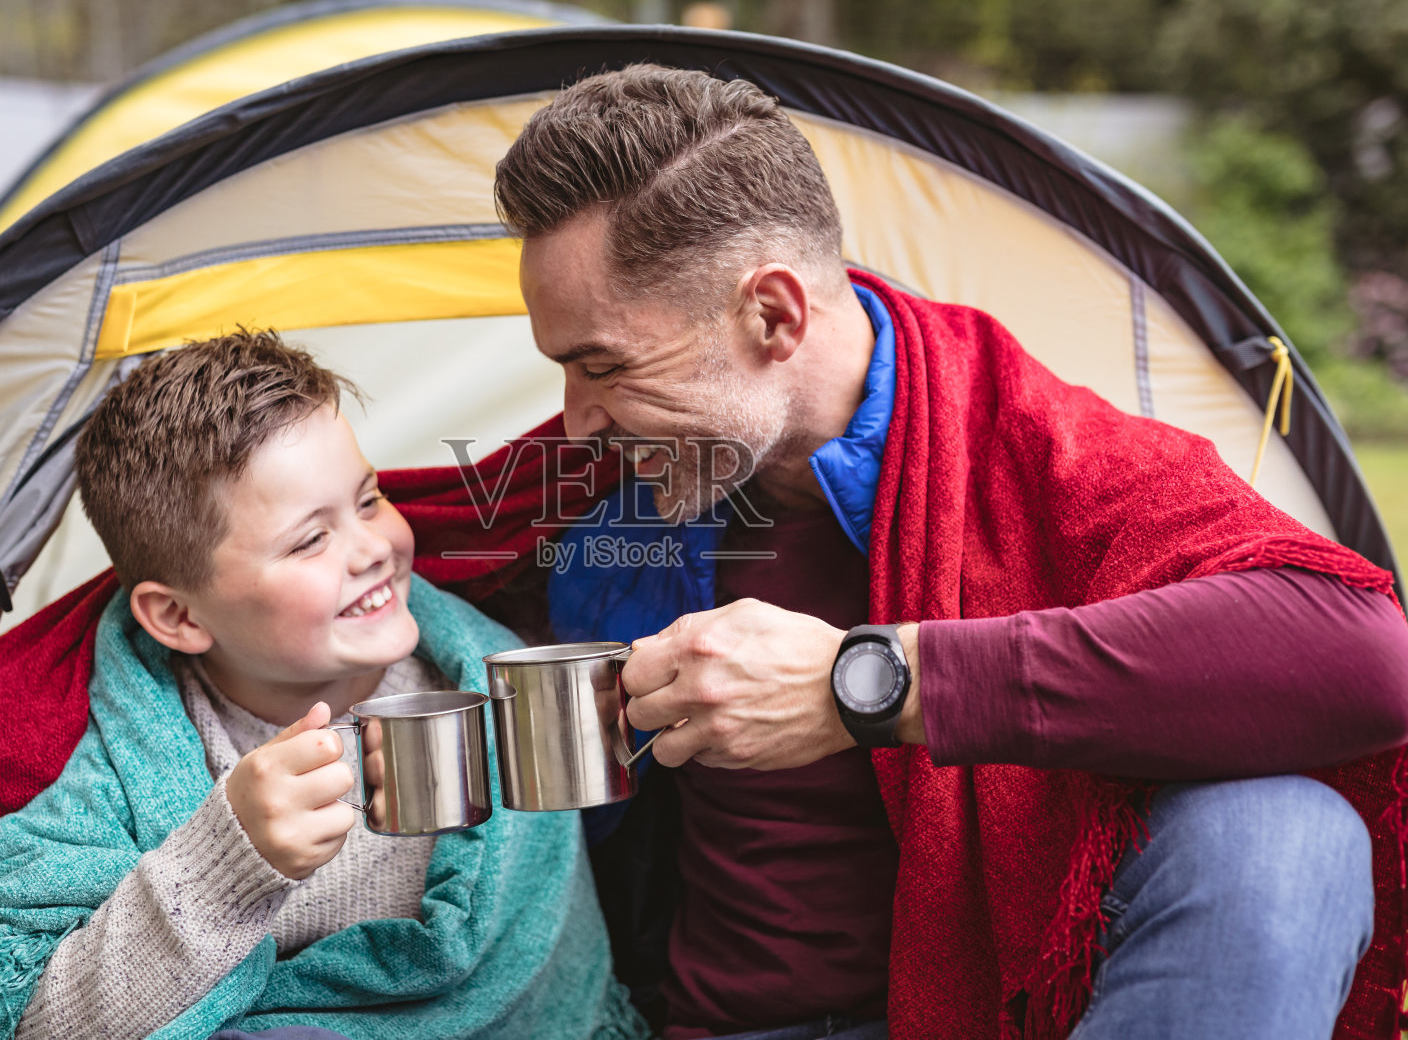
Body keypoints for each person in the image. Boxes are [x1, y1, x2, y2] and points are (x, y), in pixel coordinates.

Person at [493, 64, 1408, 1040]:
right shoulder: (598, 508)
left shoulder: (1039, 448)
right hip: (722, 1023)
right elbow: (407, 570)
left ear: (774, 315)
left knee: (1284, 834)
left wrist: (865, 686)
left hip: (1010, 1014)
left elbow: (1364, 652)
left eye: (603, 365)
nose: (577, 422)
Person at [0, 331, 647, 1040]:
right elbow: (18, 1023)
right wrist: (226, 864)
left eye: (369, 499)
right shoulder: (99, 770)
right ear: (179, 616)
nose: (372, 548)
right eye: (309, 539)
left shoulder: (497, 679)